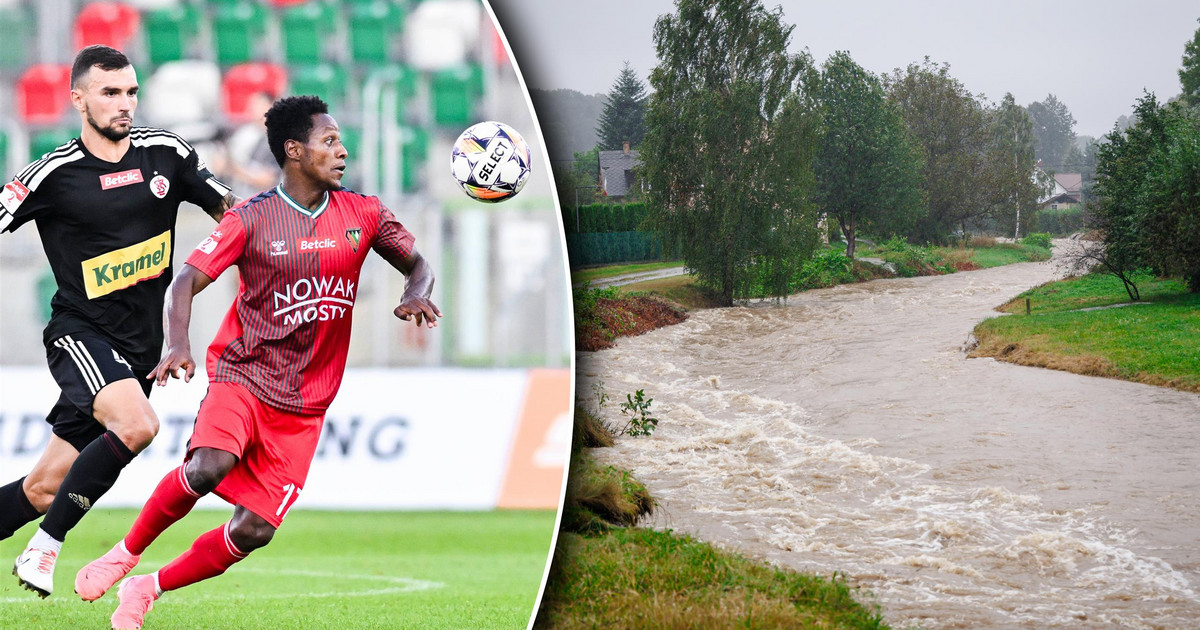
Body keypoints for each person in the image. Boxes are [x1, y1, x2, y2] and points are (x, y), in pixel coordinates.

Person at [73, 95, 441, 630]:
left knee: (254, 531)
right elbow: (184, 282)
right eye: (329, 141)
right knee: (208, 466)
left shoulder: (364, 213)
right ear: (294, 150)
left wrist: (416, 291)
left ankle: (146, 587)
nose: (342, 151)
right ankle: (124, 553)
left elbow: (419, 264)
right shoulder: (251, 218)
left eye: (340, 140)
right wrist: (177, 344)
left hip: (306, 404)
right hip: (244, 374)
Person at [0, 45, 239, 598]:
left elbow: (233, 212)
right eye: (110, 93)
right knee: (138, 427)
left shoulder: (167, 155)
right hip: (79, 336)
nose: (124, 103)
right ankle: (44, 550)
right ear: (78, 99)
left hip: (137, 351)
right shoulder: (52, 173)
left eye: (131, 91)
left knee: (43, 487)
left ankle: (38, 527)